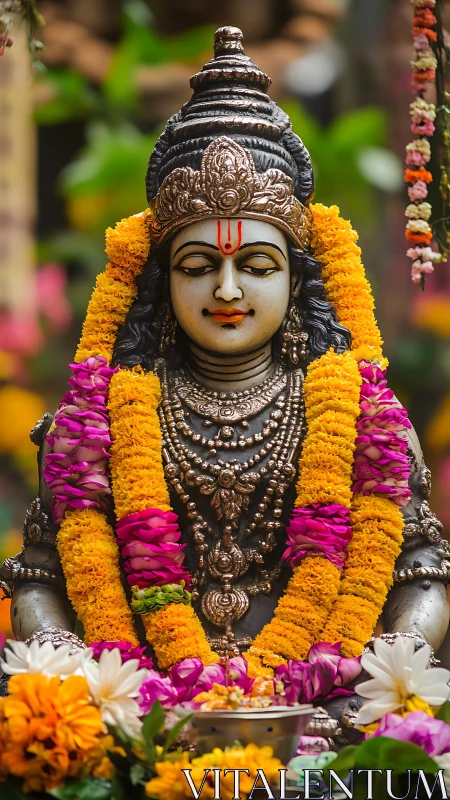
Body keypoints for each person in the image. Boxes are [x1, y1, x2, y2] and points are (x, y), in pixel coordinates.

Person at [2, 28, 448, 729]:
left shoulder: (367, 422)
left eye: (258, 266)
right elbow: (39, 580)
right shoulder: (93, 427)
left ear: (296, 283)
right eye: (198, 266)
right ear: (163, 281)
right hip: (140, 712)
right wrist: (79, 680)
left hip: (320, 706)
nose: (229, 289)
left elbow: (423, 573)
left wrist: (379, 673)